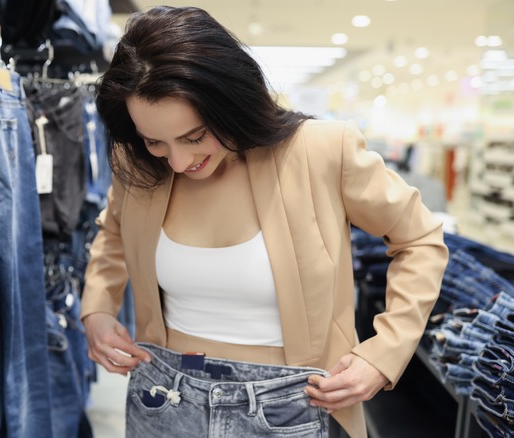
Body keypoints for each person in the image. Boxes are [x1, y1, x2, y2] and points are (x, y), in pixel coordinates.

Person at [80, 6, 448, 438]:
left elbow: (419, 240)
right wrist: (98, 309)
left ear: (230, 102)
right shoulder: (138, 162)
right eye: (155, 141)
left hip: (293, 407)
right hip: (166, 399)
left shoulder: (321, 151)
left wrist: (384, 352)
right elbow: (115, 231)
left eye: (195, 137)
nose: (178, 161)